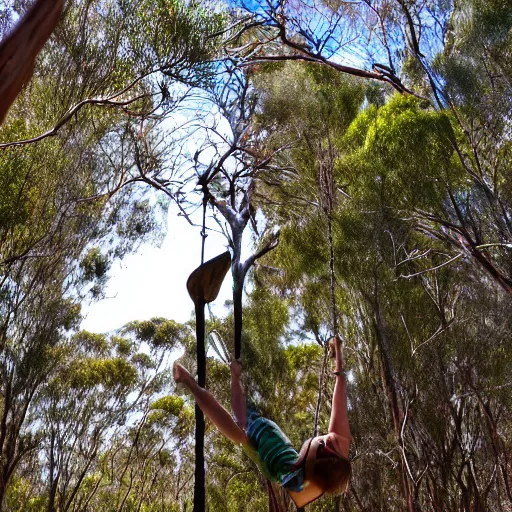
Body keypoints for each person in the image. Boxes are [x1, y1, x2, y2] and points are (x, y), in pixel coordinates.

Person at [173, 336, 352, 508]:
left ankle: (192, 381)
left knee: (241, 430)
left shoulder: (300, 475)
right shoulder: (336, 449)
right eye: (326, 442)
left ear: (311, 464)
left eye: (320, 445)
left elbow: (301, 490)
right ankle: (222, 377)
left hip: (268, 452)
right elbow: (341, 386)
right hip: (272, 439)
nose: (323, 439)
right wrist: (338, 350)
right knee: (245, 420)